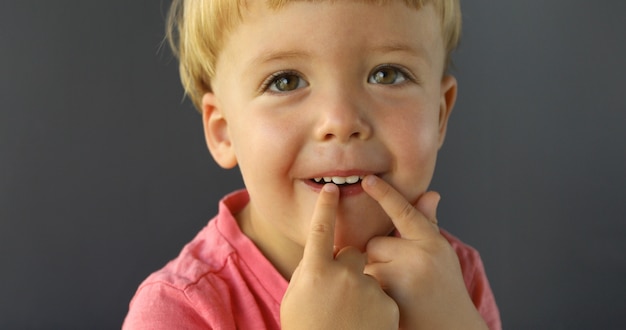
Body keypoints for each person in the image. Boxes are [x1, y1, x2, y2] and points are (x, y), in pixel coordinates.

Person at [123, 0, 501, 328]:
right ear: (224, 132)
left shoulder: (454, 284)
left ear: (439, 115)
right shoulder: (179, 312)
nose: (340, 121)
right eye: (286, 81)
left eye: (387, 74)